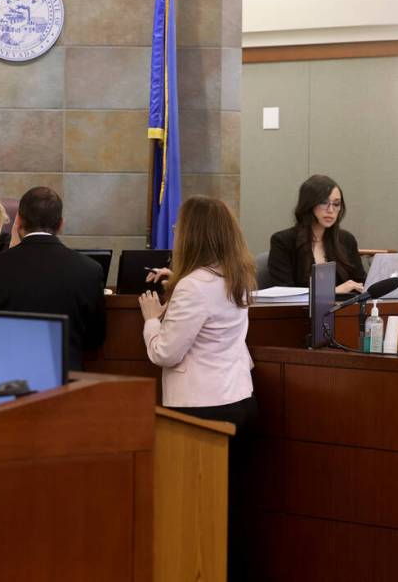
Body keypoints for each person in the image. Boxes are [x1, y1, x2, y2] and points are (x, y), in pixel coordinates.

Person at [138, 195, 257, 582]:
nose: (174, 232)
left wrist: (153, 319)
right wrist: (177, 283)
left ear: (192, 234)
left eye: (177, 227)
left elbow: (166, 353)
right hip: (237, 399)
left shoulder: (193, 287)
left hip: (201, 413)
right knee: (228, 510)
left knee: (196, 514)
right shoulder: (236, 275)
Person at [0, 186, 106, 370]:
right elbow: (94, 339)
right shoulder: (89, 270)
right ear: (60, 224)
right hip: (66, 381)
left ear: (19, 222)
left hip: (6, 381)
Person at [268, 174, 366, 295]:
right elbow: (284, 293)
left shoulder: (346, 240)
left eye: (336, 204)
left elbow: (360, 284)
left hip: (343, 311)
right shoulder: (283, 241)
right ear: (309, 205)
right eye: (324, 203)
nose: (330, 210)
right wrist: (333, 292)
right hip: (299, 312)